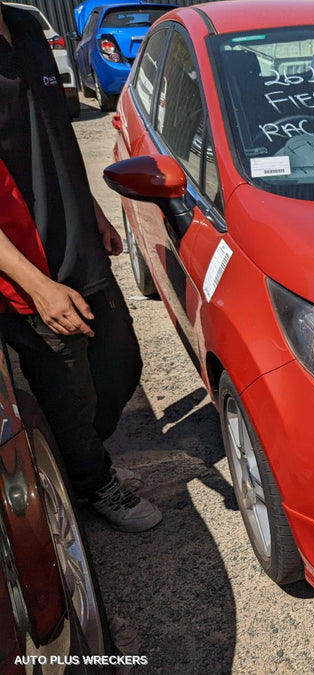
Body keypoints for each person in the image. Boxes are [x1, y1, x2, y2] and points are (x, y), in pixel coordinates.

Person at [0, 2, 160, 531]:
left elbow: (54, 138)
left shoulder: (26, 25)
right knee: (67, 393)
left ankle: (80, 462)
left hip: (78, 243)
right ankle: (93, 482)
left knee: (120, 364)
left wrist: (92, 211)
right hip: (28, 271)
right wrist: (38, 287)